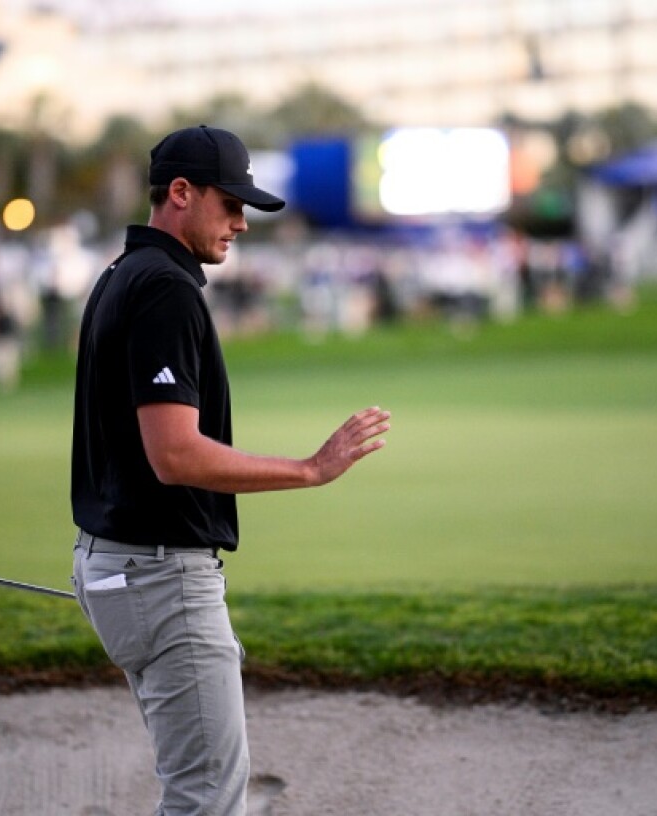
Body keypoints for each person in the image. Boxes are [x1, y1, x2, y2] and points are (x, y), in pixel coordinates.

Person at [70, 125, 391, 816]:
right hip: (162, 578)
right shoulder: (165, 289)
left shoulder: (121, 274)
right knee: (206, 799)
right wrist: (310, 469)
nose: (242, 223)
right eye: (232, 204)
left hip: (116, 564)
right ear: (181, 193)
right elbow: (175, 454)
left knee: (198, 788)